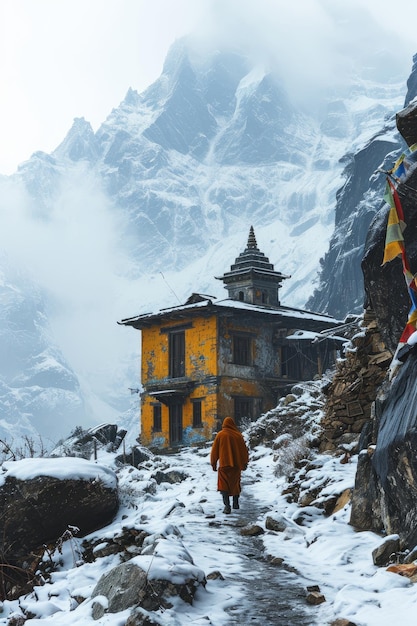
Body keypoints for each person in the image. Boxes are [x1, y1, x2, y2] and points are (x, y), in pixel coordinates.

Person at [210, 416, 249, 514]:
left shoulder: (220, 435)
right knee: (235, 484)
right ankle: (235, 503)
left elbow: (214, 451)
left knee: (223, 486)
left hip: (224, 466)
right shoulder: (238, 435)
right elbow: (244, 451)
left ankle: (227, 506)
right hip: (236, 466)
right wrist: (244, 463)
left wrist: (213, 463)